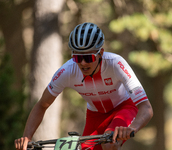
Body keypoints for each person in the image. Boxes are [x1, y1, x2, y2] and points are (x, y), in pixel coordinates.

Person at [15, 22, 153, 150]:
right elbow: (42, 105)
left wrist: (132, 128)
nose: (82, 63)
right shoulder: (67, 71)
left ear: (101, 54)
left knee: (109, 143)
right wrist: (27, 138)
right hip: (95, 115)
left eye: (88, 58)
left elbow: (146, 108)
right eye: (76, 57)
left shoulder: (116, 64)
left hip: (124, 107)